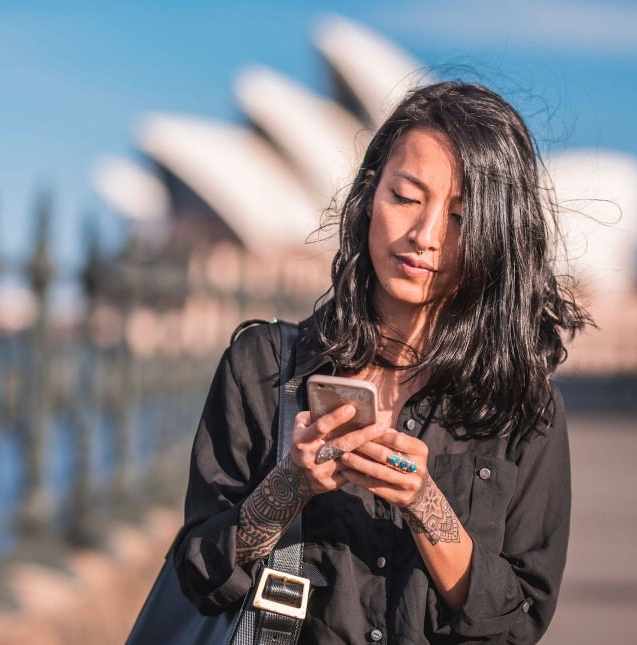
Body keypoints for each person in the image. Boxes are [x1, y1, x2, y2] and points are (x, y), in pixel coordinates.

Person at [171, 81, 589, 644]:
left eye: (461, 217)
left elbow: (517, 623)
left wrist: (426, 504)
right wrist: (289, 485)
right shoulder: (266, 366)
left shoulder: (523, 407)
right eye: (407, 198)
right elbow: (200, 574)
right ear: (371, 194)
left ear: (498, 237)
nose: (425, 236)